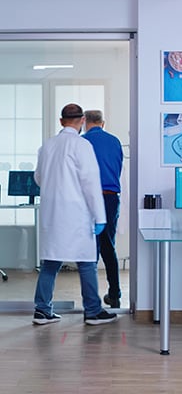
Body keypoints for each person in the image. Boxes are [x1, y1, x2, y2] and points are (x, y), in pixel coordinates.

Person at [32, 103, 118, 326]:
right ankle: (92, 311)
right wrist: (101, 217)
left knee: (50, 262)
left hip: (52, 212)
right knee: (86, 262)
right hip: (76, 212)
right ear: (82, 121)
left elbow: (38, 178)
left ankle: (42, 310)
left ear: (61, 121)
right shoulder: (82, 145)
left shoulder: (47, 145)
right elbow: (90, 183)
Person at [82, 110, 123, 309]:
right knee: (108, 246)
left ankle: (91, 302)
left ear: (84, 122)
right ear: (102, 123)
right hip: (110, 198)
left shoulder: (82, 142)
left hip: (87, 199)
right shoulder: (115, 141)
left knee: (89, 250)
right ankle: (114, 295)